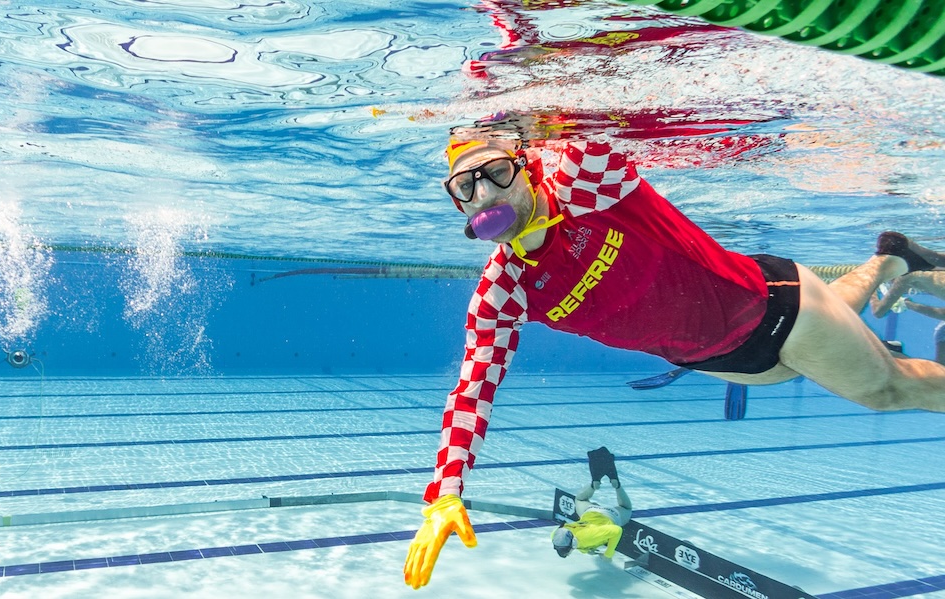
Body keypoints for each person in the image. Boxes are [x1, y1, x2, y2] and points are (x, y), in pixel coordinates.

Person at [402, 122, 945, 590]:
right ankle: (892, 260)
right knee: (829, 334)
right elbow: (474, 389)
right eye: (464, 185)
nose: (484, 193)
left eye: (495, 171)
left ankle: (890, 271)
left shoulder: (582, 181)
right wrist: (446, 493)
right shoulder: (504, 290)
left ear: (526, 163)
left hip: (770, 307)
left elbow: (602, 116)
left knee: (885, 389)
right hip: (722, 360)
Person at [552, 448, 632, 560]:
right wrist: (585, 549)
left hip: (610, 515)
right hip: (590, 510)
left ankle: (617, 486)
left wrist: (608, 553)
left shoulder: (587, 536)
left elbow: (616, 530)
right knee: (579, 499)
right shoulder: (556, 534)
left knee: (626, 508)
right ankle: (593, 486)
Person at [871, 271, 945, 364]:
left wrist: (871, 291)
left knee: (940, 372)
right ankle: (893, 355)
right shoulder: (926, 273)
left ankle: (893, 355)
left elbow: (878, 312)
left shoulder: (907, 276)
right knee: (940, 372)